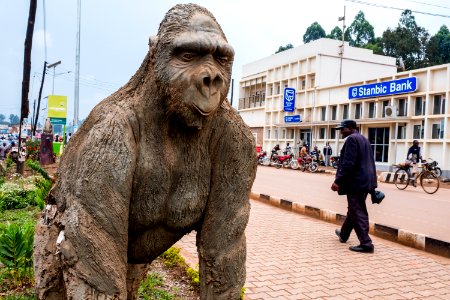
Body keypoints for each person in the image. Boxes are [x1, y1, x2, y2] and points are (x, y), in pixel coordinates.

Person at [331, 120, 377, 253]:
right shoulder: (363, 139)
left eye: (342, 129)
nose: (341, 132)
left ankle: (366, 243)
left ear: (350, 128)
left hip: (356, 182)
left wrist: (338, 181)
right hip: (365, 180)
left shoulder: (351, 139)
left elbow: (348, 164)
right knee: (354, 208)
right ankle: (344, 234)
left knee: (357, 211)